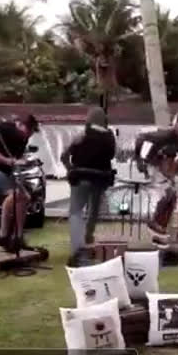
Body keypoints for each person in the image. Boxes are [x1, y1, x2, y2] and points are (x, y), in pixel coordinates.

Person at [60, 107, 116, 267]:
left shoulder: (81, 134)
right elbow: (112, 155)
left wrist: (70, 168)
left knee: (76, 212)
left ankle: (78, 251)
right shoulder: (109, 136)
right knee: (93, 210)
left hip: (81, 177)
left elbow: (64, 155)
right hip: (100, 178)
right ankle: (88, 238)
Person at [134, 112, 178, 249]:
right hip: (150, 163)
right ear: (176, 124)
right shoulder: (165, 135)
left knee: (172, 197)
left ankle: (160, 229)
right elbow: (141, 139)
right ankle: (154, 223)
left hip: (163, 166)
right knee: (167, 193)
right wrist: (140, 160)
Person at [0, 114, 38, 252]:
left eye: (31, 132)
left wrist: (25, 162)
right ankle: (3, 234)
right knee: (16, 194)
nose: (28, 135)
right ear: (19, 124)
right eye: (27, 131)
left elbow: (15, 158)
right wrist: (8, 161)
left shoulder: (23, 139)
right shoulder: (2, 130)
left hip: (6, 173)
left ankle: (17, 237)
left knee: (25, 198)